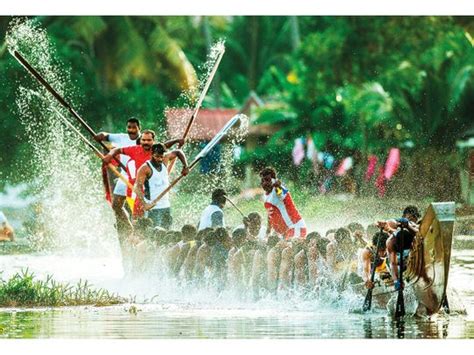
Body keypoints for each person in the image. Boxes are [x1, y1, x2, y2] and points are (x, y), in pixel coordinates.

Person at [94, 118, 141, 236]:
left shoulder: (144, 140)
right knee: (116, 205)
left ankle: (140, 231)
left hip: (140, 175)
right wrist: (100, 135)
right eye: (129, 127)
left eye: (134, 127)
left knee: (138, 207)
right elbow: (106, 136)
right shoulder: (121, 137)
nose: (131, 130)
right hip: (125, 175)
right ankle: (128, 227)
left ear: (139, 128)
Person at [134, 143, 189, 230]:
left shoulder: (165, 159)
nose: (159, 159)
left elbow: (178, 152)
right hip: (153, 207)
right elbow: (137, 187)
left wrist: (185, 166)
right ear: (152, 154)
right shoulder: (145, 168)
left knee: (167, 232)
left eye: (161, 156)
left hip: (166, 206)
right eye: (157, 156)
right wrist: (145, 204)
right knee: (155, 234)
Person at [378, 205, 420, 290]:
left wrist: (407, 226)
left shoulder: (412, 226)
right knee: (396, 263)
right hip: (400, 259)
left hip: (411, 246)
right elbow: (393, 263)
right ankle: (400, 277)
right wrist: (396, 281)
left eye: (413, 217)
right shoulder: (390, 242)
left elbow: (419, 234)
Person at [260, 167, 307, 239]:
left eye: (267, 180)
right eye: (262, 181)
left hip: (295, 227)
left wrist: (277, 186)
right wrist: (268, 232)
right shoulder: (266, 196)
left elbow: (280, 193)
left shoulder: (279, 189)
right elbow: (270, 215)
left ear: (273, 180)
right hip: (285, 233)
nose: (264, 183)